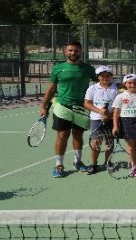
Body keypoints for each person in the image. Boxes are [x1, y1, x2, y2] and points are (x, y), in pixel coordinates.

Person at [40, 41, 97, 178]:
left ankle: (77, 162)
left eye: (76, 50)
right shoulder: (58, 68)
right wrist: (43, 106)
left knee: (78, 135)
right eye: (70, 50)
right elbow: (51, 89)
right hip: (62, 106)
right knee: (63, 135)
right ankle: (59, 164)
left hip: (81, 108)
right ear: (65, 52)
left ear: (81, 52)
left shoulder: (88, 69)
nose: (73, 53)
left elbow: (101, 83)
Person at [83, 66, 119, 175]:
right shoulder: (92, 88)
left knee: (109, 142)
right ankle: (93, 164)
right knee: (95, 142)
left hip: (111, 119)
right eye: (102, 76)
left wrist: (110, 116)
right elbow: (86, 103)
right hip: (96, 119)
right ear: (98, 77)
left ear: (111, 77)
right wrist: (99, 111)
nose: (105, 78)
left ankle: (108, 162)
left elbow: (120, 106)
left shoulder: (116, 88)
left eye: (108, 76)